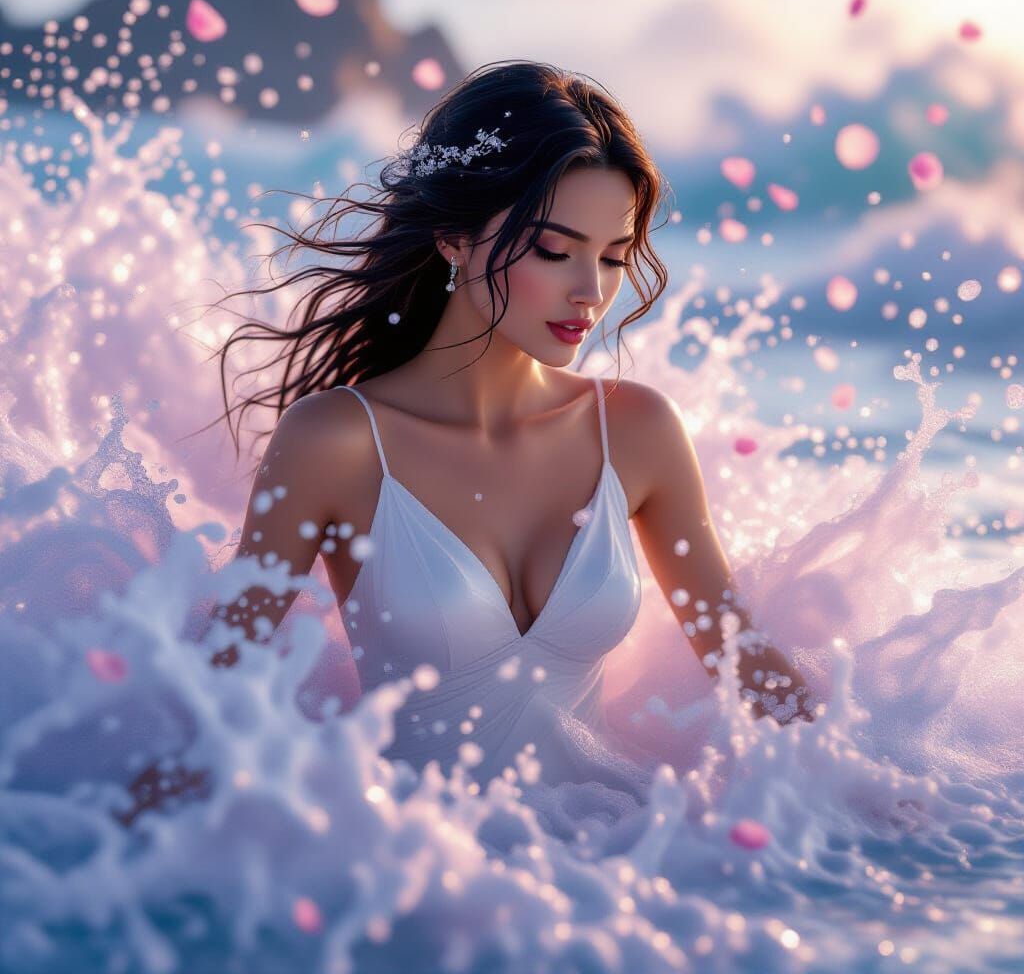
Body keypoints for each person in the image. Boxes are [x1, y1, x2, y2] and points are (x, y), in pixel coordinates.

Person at [118, 60, 814, 825]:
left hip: (614, 869)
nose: (591, 290)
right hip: (412, 879)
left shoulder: (639, 432)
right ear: (454, 237)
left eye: (614, 256)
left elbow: (741, 657)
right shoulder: (337, 442)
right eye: (555, 250)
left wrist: (865, 788)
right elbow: (221, 686)